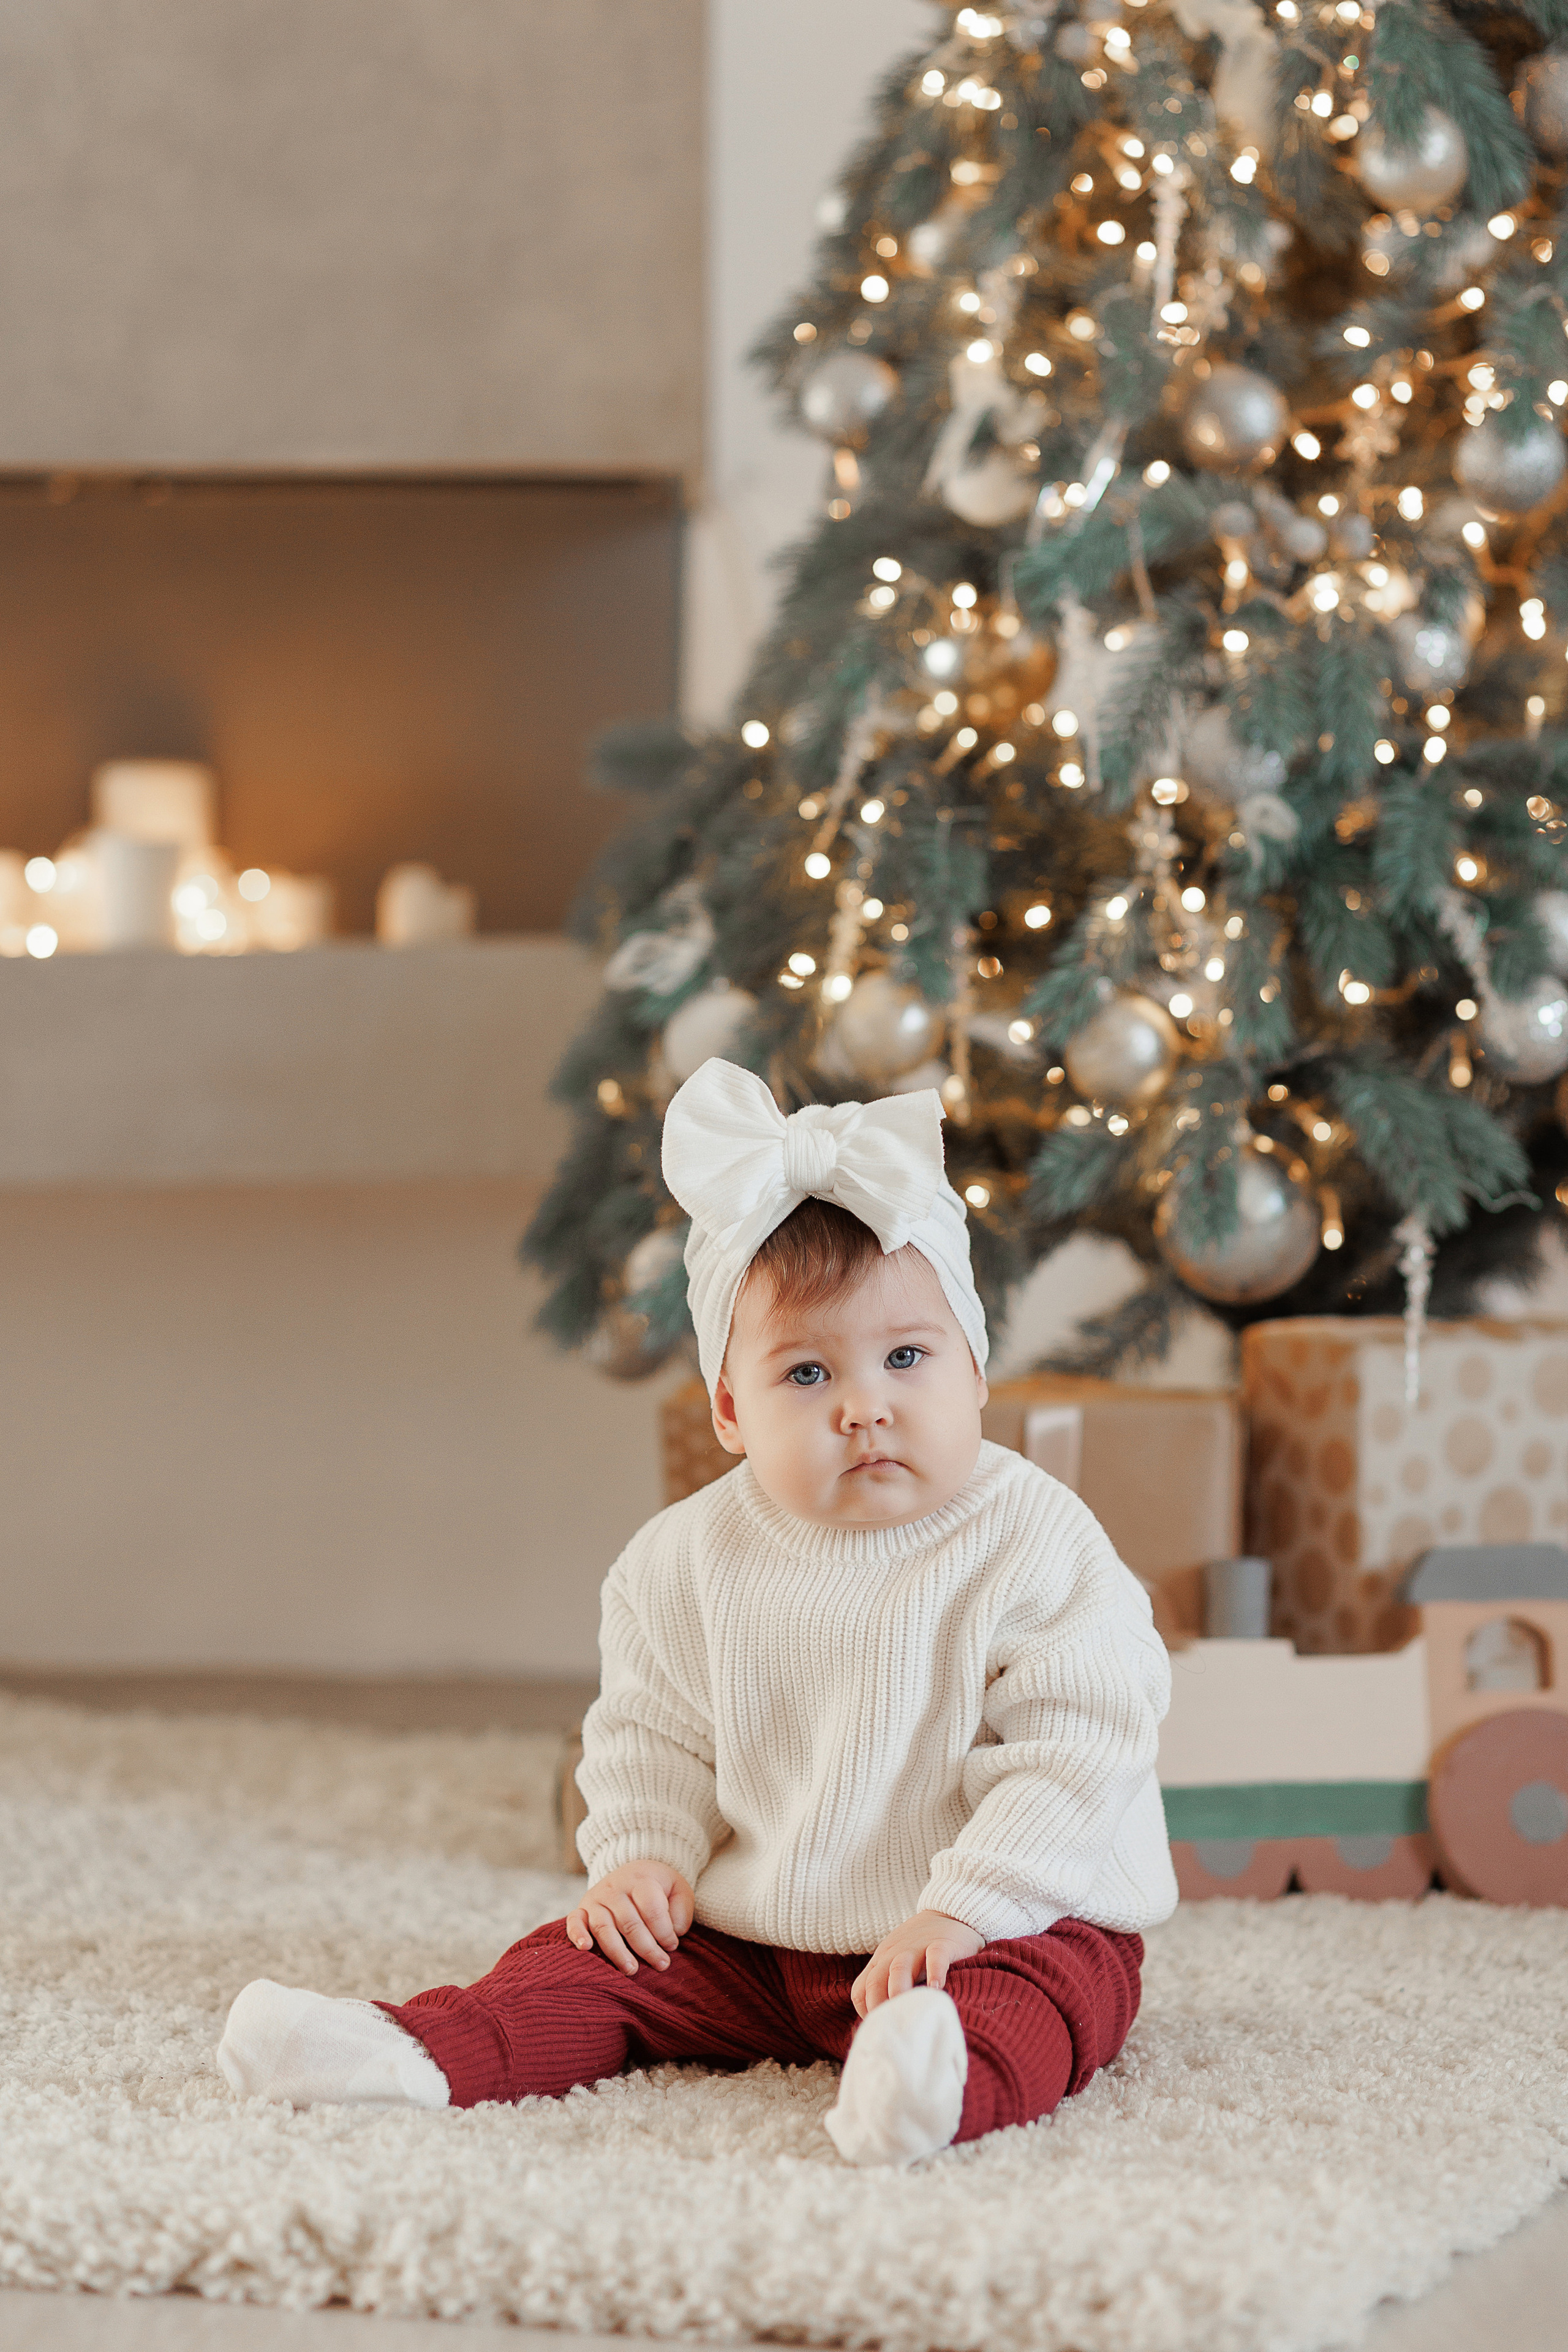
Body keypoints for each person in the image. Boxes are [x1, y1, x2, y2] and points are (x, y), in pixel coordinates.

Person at [217, 1058, 1177, 2165]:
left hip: (993, 1918)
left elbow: (1077, 1752)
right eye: (807, 1376)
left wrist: (965, 1911)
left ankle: (936, 2077)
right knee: (594, 1959)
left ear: (975, 1372)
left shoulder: (1037, 1541)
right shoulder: (681, 1560)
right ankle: (419, 2050)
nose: (867, 1406)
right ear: (730, 1408)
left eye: (908, 1357)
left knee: (1055, 1993)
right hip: (763, 1940)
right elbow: (651, 1735)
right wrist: (641, 1855)